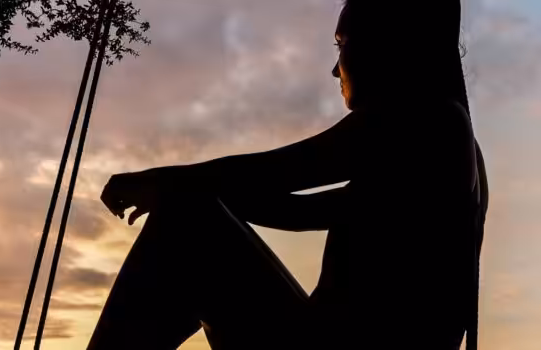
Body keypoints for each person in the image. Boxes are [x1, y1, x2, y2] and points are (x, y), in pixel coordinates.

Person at [89, 1, 489, 349]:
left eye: (342, 44)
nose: (335, 69)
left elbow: (285, 171)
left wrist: (165, 183)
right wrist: (184, 189)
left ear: (389, 43)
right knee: (191, 211)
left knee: (186, 221)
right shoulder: (441, 142)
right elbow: (298, 210)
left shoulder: (428, 121)